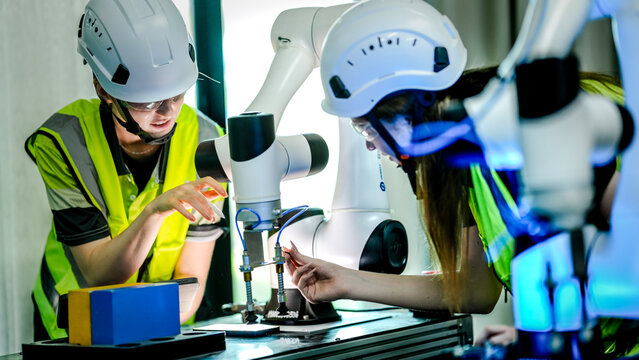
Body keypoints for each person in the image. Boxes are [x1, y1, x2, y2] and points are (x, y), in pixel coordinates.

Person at [284, 0, 632, 356]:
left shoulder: (532, 126)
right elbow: (473, 290)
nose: (371, 146)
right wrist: (347, 281)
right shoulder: (466, 158)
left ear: (397, 111)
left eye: (365, 129)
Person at [25, 0, 227, 340]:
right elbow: (98, 276)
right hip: (75, 328)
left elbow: (191, 282)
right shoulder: (62, 142)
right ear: (103, 89)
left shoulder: (207, 142)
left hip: (168, 327)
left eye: (176, 94)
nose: (166, 111)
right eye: (146, 100)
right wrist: (155, 212)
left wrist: (154, 328)